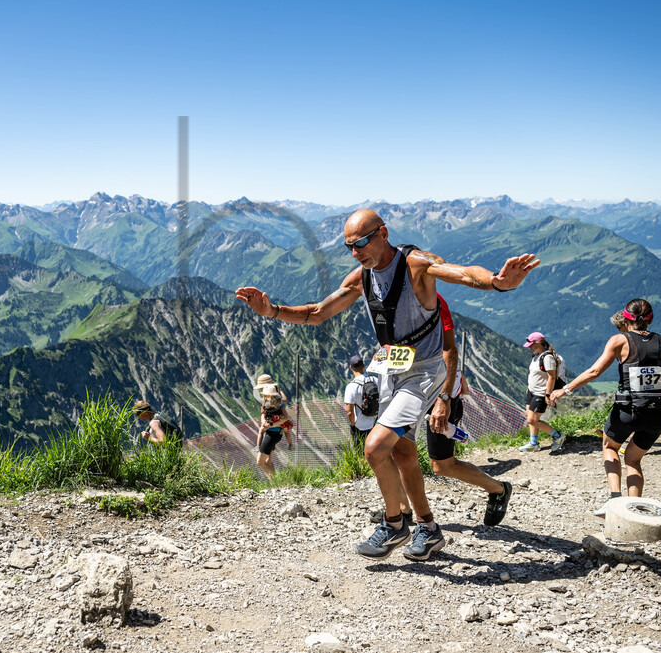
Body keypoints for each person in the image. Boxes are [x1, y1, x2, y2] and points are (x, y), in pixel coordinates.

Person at [235, 209, 538, 561]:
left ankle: (395, 525)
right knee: (402, 452)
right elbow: (317, 313)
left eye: (361, 243)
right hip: (392, 371)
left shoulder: (416, 265)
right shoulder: (361, 276)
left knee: (375, 448)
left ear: (383, 233)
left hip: (425, 371)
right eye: (349, 246)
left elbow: (464, 274)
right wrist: (272, 310)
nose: (355, 252)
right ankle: (428, 529)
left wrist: (497, 282)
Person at [549, 298, 661, 516]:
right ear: (651, 319)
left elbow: (594, 372)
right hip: (658, 412)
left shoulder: (620, 341)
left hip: (629, 410)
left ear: (625, 318)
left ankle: (614, 500)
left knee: (610, 448)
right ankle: (634, 511)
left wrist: (565, 390)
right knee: (634, 459)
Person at [424, 294, 513, 526]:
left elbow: (448, 349)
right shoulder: (388, 297)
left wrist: (444, 398)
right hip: (409, 392)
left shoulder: (432, 299)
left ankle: (498, 488)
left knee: (442, 466)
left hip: (438, 398)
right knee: (394, 449)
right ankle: (400, 512)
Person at [518, 332, 566, 453]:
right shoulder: (536, 355)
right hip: (532, 391)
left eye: (531, 344)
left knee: (532, 420)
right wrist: (530, 387)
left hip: (541, 393)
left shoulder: (547, 357)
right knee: (530, 417)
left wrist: (548, 394)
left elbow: (552, 377)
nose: (529, 346)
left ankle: (558, 436)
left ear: (538, 343)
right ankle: (533, 443)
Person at [256, 384, 294, 476]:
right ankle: (274, 483)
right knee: (268, 461)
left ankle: (276, 481)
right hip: (276, 434)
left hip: (271, 435)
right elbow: (263, 413)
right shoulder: (279, 404)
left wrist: (271, 424)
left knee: (260, 462)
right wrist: (265, 421)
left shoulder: (272, 406)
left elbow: (285, 418)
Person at [344, 355, 378, 446]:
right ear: (363, 366)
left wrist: (353, 425)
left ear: (351, 368)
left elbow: (349, 412)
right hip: (376, 425)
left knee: (361, 455)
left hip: (360, 427)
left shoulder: (351, 387)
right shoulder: (375, 380)